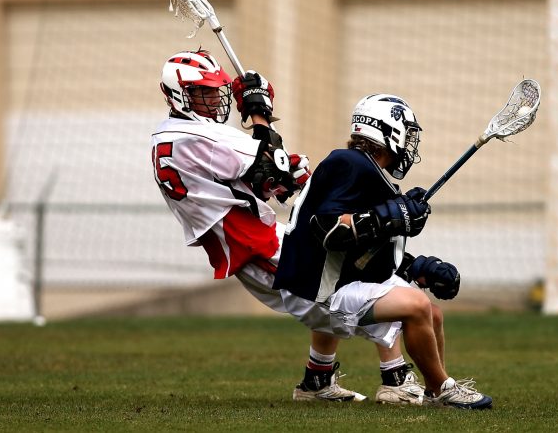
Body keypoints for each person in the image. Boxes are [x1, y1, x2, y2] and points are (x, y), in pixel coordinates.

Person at [151, 49, 419, 404]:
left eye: (216, 90)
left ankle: (317, 382)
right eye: (203, 91)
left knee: (332, 271)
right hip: (251, 243)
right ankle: (396, 379)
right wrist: (260, 115)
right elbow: (269, 166)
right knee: (348, 289)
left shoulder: (172, 134)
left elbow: (262, 180)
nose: (214, 97)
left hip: (251, 234)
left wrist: (289, 173)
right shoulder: (200, 137)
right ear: (175, 93)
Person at [273, 93, 493, 409]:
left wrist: (418, 268)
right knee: (416, 306)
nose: (410, 145)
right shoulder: (349, 163)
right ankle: (439, 389)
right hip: (315, 291)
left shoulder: (367, 173)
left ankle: (423, 387)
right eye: (408, 134)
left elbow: (369, 253)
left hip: (333, 281)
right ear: (388, 132)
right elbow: (328, 230)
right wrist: (390, 216)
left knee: (431, 313)